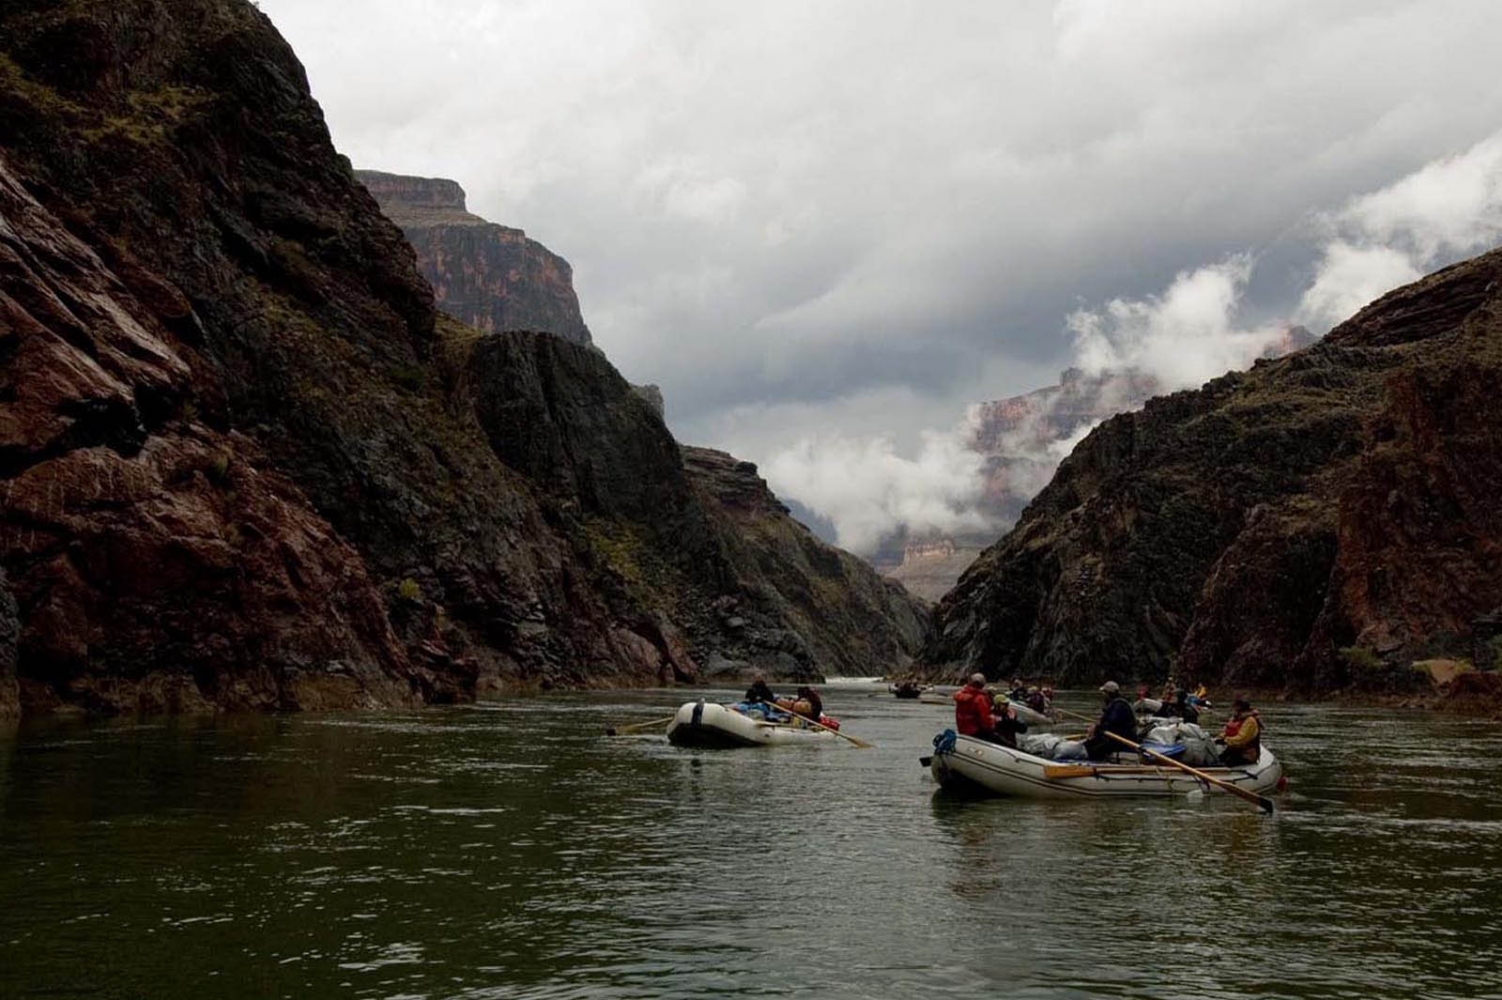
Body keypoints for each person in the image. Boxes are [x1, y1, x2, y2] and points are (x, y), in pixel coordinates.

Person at [953, 673, 1026, 747]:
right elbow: (985, 720)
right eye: (1003, 704)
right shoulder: (980, 699)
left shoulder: (962, 697)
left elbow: (1022, 728)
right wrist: (994, 724)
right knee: (1002, 741)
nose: (1005, 707)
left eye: (1006, 704)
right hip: (977, 731)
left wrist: (1010, 720)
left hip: (966, 730)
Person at [1083, 680, 1138, 761]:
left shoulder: (1119, 705)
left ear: (1108, 693)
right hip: (1117, 737)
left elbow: (1110, 724)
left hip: (1122, 740)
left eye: (1104, 693)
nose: (1103, 695)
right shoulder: (1117, 703)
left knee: (1093, 749)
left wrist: (1096, 729)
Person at [1218, 696, 1261, 766]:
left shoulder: (1250, 721)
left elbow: (1242, 739)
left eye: (1234, 708)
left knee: (1226, 763)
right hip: (1233, 751)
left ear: (1239, 708)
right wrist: (1220, 738)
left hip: (1246, 755)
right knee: (1216, 760)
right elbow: (1225, 731)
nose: (1233, 710)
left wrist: (1225, 740)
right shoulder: (1235, 718)